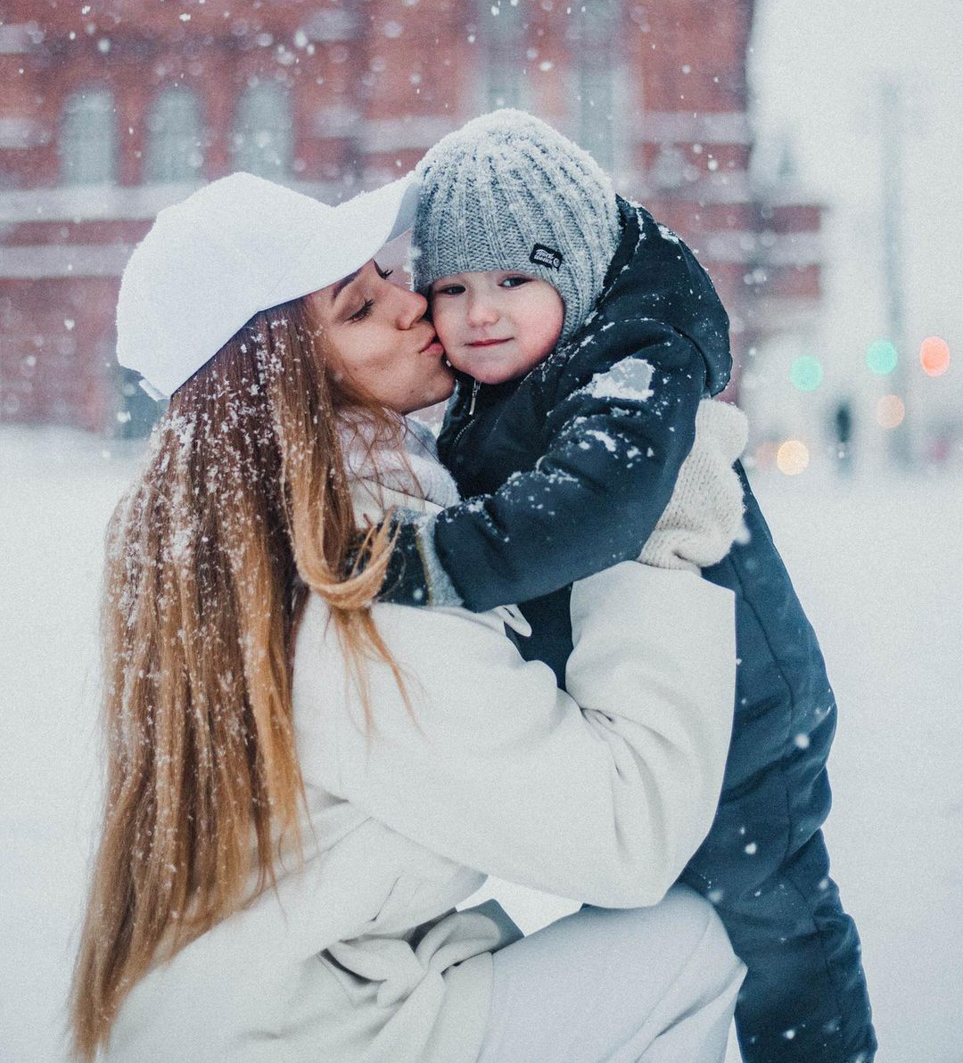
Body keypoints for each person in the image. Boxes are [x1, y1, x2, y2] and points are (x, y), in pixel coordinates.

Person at [69, 171, 747, 1063]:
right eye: (358, 308)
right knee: (687, 951)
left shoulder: (237, 549)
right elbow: (630, 832)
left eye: (383, 275)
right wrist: (659, 536)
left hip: (235, 1019)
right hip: (305, 1038)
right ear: (284, 382)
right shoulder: (358, 575)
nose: (411, 302)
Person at [370, 111, 877, 1063]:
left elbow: (593, 505)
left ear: (573, 272)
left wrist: (426, 558)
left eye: (514, 280)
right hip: (640, 705)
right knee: (654, 926)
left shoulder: (636, 361)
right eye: (452, 288)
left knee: (774, 923)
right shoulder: (508, 370)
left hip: (742, 716)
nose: (479, 312)